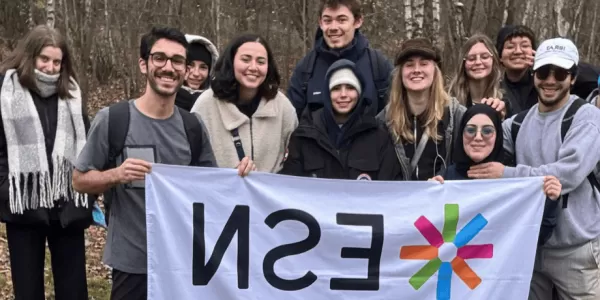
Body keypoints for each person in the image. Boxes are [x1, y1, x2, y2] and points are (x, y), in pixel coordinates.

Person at [72, 26, 254, 300]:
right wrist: (116, 175)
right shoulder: (114, 120)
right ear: (143, 64)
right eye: (160, 58)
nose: (169, 67)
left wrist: (238, 175)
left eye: (177, 61)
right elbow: (79, 180)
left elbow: (211, 188)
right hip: (132, 265)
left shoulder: (193, 126)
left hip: (182, 263)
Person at [469, 37, 600, 299]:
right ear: (533, 75)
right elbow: (478, 152)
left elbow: (568, 174)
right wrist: (486, 113)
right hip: (528, 246)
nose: (550, 80)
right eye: (543, 72)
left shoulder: (587, 117)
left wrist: (507, 174)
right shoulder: (516, 123)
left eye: (560, 73)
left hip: (575, 250)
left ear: (572, 78)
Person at [0, 25, 91, 300]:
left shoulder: (72, 93)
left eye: (57, 61)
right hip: (24, 204)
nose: (51, 67)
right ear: (30, 56)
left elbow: (87, 148)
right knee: (27, 291)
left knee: (74, 291)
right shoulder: (6, 93)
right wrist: (6, 187)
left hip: (68, 205)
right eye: (44, 59)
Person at [429, 104, 562, 246]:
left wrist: (550, 201)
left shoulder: (512, 182)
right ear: (461, 133)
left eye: (487, 131)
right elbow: (426, 234)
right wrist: (428, 198)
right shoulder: (446, 177)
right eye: (470, 130)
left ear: (497, 136)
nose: (478, 137)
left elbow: (536, 236)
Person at [376, 38, 504, 181]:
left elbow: (473, 165)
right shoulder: (384, 120)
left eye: (424, 64)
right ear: (400, 73)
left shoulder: (456, 116)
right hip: (402, 201)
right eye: (409, 65)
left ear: (435, 71)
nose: (417, 70)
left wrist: (494, 118)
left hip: (447, 201)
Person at [191, 33, 297, 173]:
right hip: (219, 192)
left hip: (269, 193)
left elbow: (296, 158)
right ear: (232, 62)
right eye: (246, 60)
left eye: (260, 62)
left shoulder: (283, 107)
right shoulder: (206, 105)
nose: (253, 67)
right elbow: (192, 161)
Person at [280, 59, 403, 180]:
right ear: (327, 94)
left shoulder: (379, 137)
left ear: (359, 93)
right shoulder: (304, 136)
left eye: (350, 87)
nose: (343, 94)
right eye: (336, 88)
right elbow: (290, 189)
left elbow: (390, 190)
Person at [286, 0, 393, 119]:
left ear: (357, 21)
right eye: (327, 20)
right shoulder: (306, 68)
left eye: (341, 20)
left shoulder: (378, 66)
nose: (333, 27)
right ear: (320, 23)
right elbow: (293, 123)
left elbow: (394, 115)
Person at [496, 25, 600, 116]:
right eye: (510, 47)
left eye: (524, 46)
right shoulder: (495, 88)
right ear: (500, 56)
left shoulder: (554, 79)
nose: (518, 51)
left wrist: (548, 62)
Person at [448, 34, 510, 116]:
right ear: (463, 63)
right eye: (471, 58)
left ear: (493, 60)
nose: (478, 62)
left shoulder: (505, 100)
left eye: (484, 57)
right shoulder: (449, 99)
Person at [174, 34, 219, 111]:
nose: (196, 74)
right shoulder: (163, 97)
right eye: (190, 65)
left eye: (203, 67)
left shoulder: (216, 102)